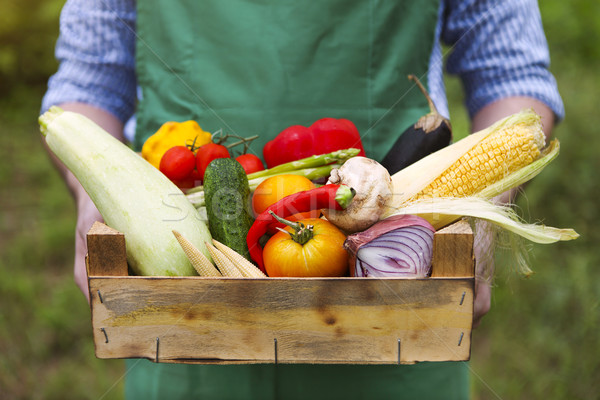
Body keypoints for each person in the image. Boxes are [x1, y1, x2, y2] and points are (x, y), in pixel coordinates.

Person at [42, 0, 563, 398]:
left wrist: (490, 207)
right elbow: (89, 81)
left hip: (396, 321)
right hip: (184, 326)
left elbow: (511, 75)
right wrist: (98, 199)